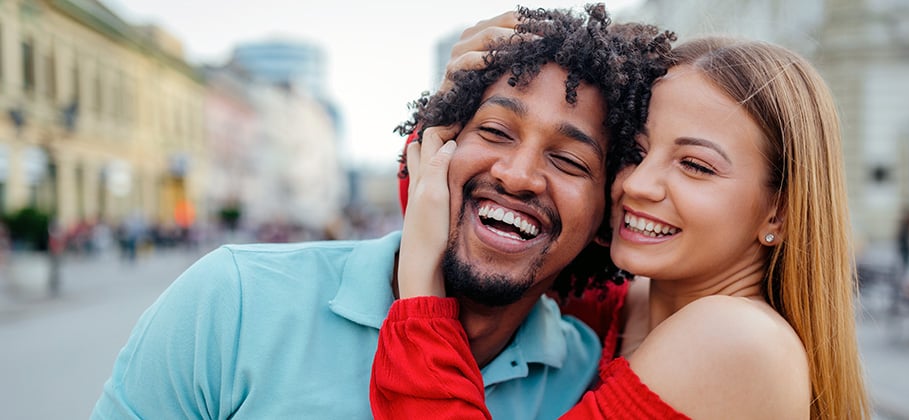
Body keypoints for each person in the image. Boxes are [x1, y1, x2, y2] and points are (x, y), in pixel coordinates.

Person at [90, 5, 673, 419]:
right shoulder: (232, 300)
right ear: (430, 147)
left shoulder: (584, 372)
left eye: (570, 162)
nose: (517, 175)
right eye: (494, 130)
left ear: (607, 215)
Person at [371, 35, 871, 419]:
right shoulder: (636, 309)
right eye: (635, 152)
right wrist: (460, 99)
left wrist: (420, 292)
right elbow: (493, 240)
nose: (639, 184)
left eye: (695, 165)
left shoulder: (737, 339)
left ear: (778, 212)